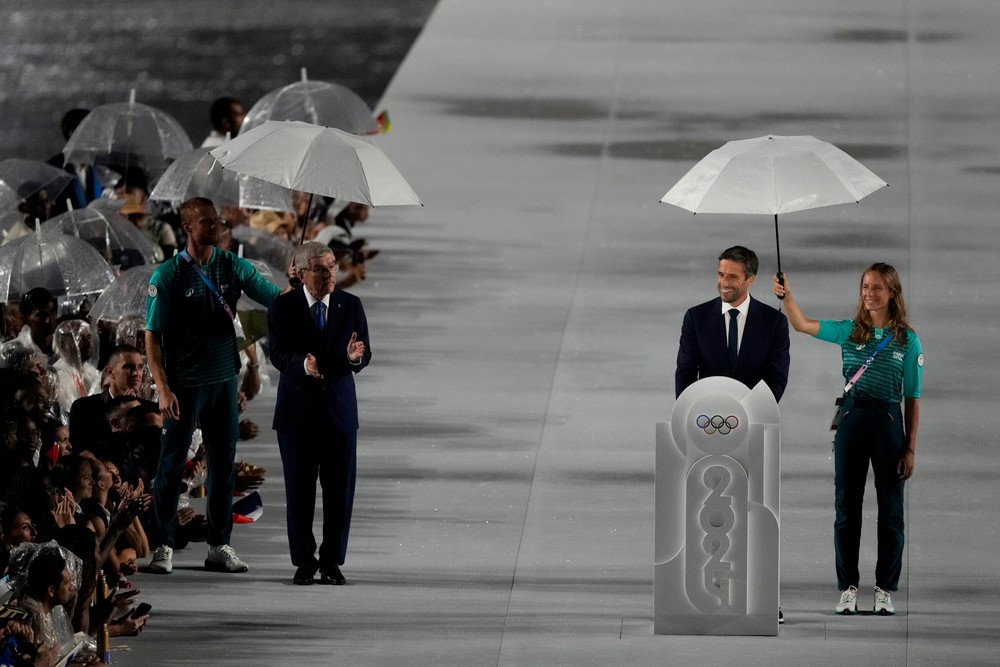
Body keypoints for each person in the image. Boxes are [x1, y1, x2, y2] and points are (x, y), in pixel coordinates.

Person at [773, 263, 923, 616]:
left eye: (878, 288)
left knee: (890, 511)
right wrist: (787, 295)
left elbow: (913, 398)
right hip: (852, 421)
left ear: (892, 294)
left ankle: (885, 589)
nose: (870, 293)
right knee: (846, 509)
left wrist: (910, 448)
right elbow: (803, 325)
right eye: (866, 287)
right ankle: (848, 588)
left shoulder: (907, 339)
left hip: (888, 421)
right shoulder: (849, 331)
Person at [144, 196, 283, 575]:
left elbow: (270, 297)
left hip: (223, 379)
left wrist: (295, 290)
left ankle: (219, 545)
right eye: (206, 222)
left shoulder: (231, 265)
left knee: (223, 465)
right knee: (171, 465)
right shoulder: (168, 276)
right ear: (187, 228)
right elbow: (152, 337)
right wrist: (162, 387)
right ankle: (162, 544)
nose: (216, 227)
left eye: (217, 221)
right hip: (184, 384)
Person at [268, 241, 371, 585]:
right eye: (321, 268)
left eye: (332, 267)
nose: (329, 274)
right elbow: (278, 354)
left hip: (339, 413)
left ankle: (331, 561)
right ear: (301, 273)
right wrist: (302, 365)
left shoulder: (350, 305)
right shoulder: (283, 307)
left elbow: (363, 353)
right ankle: (304, 561)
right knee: (299, 492)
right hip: (297, 414)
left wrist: (355, 357)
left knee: (340, 491)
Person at [675, 246, 790, 401]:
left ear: (750, 279)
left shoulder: (773, 322)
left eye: (732, 277)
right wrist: (690, 412)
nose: (724, 283)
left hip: (754, 417)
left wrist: (747, 412)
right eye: (721, 275)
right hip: (706, 417)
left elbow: (776, 378)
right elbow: (685, 372)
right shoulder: (696, 318)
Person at [68, 344, 146, 457]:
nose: (136, 373)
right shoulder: (84, 408)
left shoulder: (150, 409)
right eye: (128, 367)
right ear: (110, 372)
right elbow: (80, 452)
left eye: (140, 367)